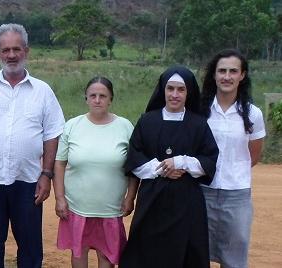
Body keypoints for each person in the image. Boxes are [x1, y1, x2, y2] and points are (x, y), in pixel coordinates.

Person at [0, 23, 65, 268]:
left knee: (29, 246)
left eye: (16, 49)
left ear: (26, 51)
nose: (11, 55)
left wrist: (46, 174)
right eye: (5, 50)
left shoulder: (43, 91)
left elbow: (52, 135)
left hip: (28, 181)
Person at [119, 66, 219, 268]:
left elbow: (209, 159)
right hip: (152, 200)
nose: (174, 95)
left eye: (180, 90)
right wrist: (162, 168)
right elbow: (134, 156)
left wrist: (181, 162)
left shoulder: (198, 124)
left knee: (186, 252)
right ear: (162, 90)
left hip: (187, 201)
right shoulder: (147, 121)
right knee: (147, 250)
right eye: (170, 88)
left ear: (188, 92)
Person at [53, 76, 138, 268]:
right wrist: (59, 197)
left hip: (110, 208)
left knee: (107, 256)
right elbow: (59, 163)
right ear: (86, 99)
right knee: (78, 253)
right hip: (77, 206)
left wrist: (130, 197)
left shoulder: (125, 127)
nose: (97, 100)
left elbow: (133, 168)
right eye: (93, 95)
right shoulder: (72, 126)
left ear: (111, 99)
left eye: (102, 95)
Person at [200, 49, 266, 268]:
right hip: (201, 191)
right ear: (214, 75)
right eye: (222, 71)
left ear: (242, 75)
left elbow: (252, 156)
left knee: (235, 259)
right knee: (197, 254)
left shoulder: (253, 114)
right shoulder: (200, 110)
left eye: (233, 71)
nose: (227, 76)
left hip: (237, 196)